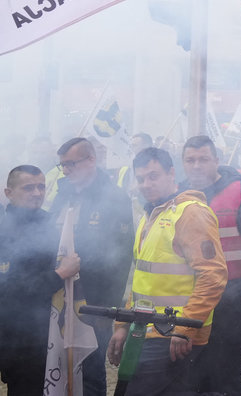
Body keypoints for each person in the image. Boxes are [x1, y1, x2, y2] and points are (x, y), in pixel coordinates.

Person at [107, 148, 228, 395]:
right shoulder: (150, 214)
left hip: (173, 334)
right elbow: (142, 281)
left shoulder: (190, 213)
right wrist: (122, 324)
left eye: (153, 176)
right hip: (145, 331)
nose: (145, 184)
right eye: (140, 179)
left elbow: (213, 276)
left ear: (171, 173)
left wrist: (185, 328)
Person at [180, 135, 241, 396]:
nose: (197, 165)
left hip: (231, 297)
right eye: (190, 160)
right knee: (192, 370)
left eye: (203, 159)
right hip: (192, 296)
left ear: (216, 161)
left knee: (226, 371)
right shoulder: (179, 194)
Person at [49, 137, 134, 396]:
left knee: (91, 372)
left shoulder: (114, 198)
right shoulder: (62, 193)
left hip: (93, 303)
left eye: (71, 164)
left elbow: (120, 259)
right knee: (59, 367)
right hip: (59, 298)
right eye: (62, 165)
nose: (66, 170)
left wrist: (106, 309)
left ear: (91, 160)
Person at [0, 166, 80, 396]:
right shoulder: (4, 232)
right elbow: (10, 290)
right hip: (20, 340)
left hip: (52, 332)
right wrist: (60, 274)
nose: (37, 193)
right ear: (8, 192)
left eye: (41, 186)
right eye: (28, 188)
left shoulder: (49, 224)